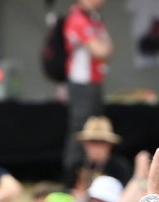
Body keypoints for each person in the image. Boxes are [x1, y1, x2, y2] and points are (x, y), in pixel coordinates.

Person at [62, 0, 113, 183]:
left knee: (96, 129)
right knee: (81, 131)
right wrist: (103, 47)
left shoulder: (94, 19)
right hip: (82, 82)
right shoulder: (78, 18)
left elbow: (109, 49)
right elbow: (100, 51)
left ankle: (92, 175)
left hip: (94, 80)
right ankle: (71, 178)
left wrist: (104, 48)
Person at [66, 115, 130, 197]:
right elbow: (67, 189)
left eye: (101, 142)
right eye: (91, 142)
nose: (95, 147)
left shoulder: (119, 168)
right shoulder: (76, 166)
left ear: (109, 145)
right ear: (84, 144)